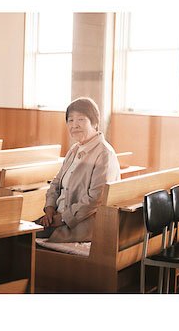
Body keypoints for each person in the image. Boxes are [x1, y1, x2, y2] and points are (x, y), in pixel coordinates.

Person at [36, 97, 121, 242]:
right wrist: (49, 208)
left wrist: (63, 218)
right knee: (17, 234)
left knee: (23, 240)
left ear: (95, 122)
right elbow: (56, 183)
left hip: (81, 224)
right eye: (70, 120)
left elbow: (95, 199)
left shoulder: (104, 153)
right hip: (57, 217)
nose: (74, 125)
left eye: (81, 119)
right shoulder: (74, 149)